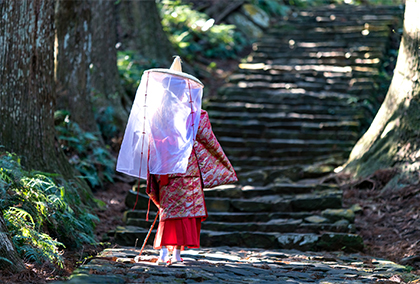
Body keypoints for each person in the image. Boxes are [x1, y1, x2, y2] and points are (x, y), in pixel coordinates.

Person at [117, 56, 237, 265]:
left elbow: (145, 134)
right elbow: (204, 135)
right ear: (184, 89)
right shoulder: (193, 113)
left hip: (162, 164)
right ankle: (176, 254)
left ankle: (165, 251)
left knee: (168, 207)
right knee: (185, 209)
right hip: (186, 167)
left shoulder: (155, 111)